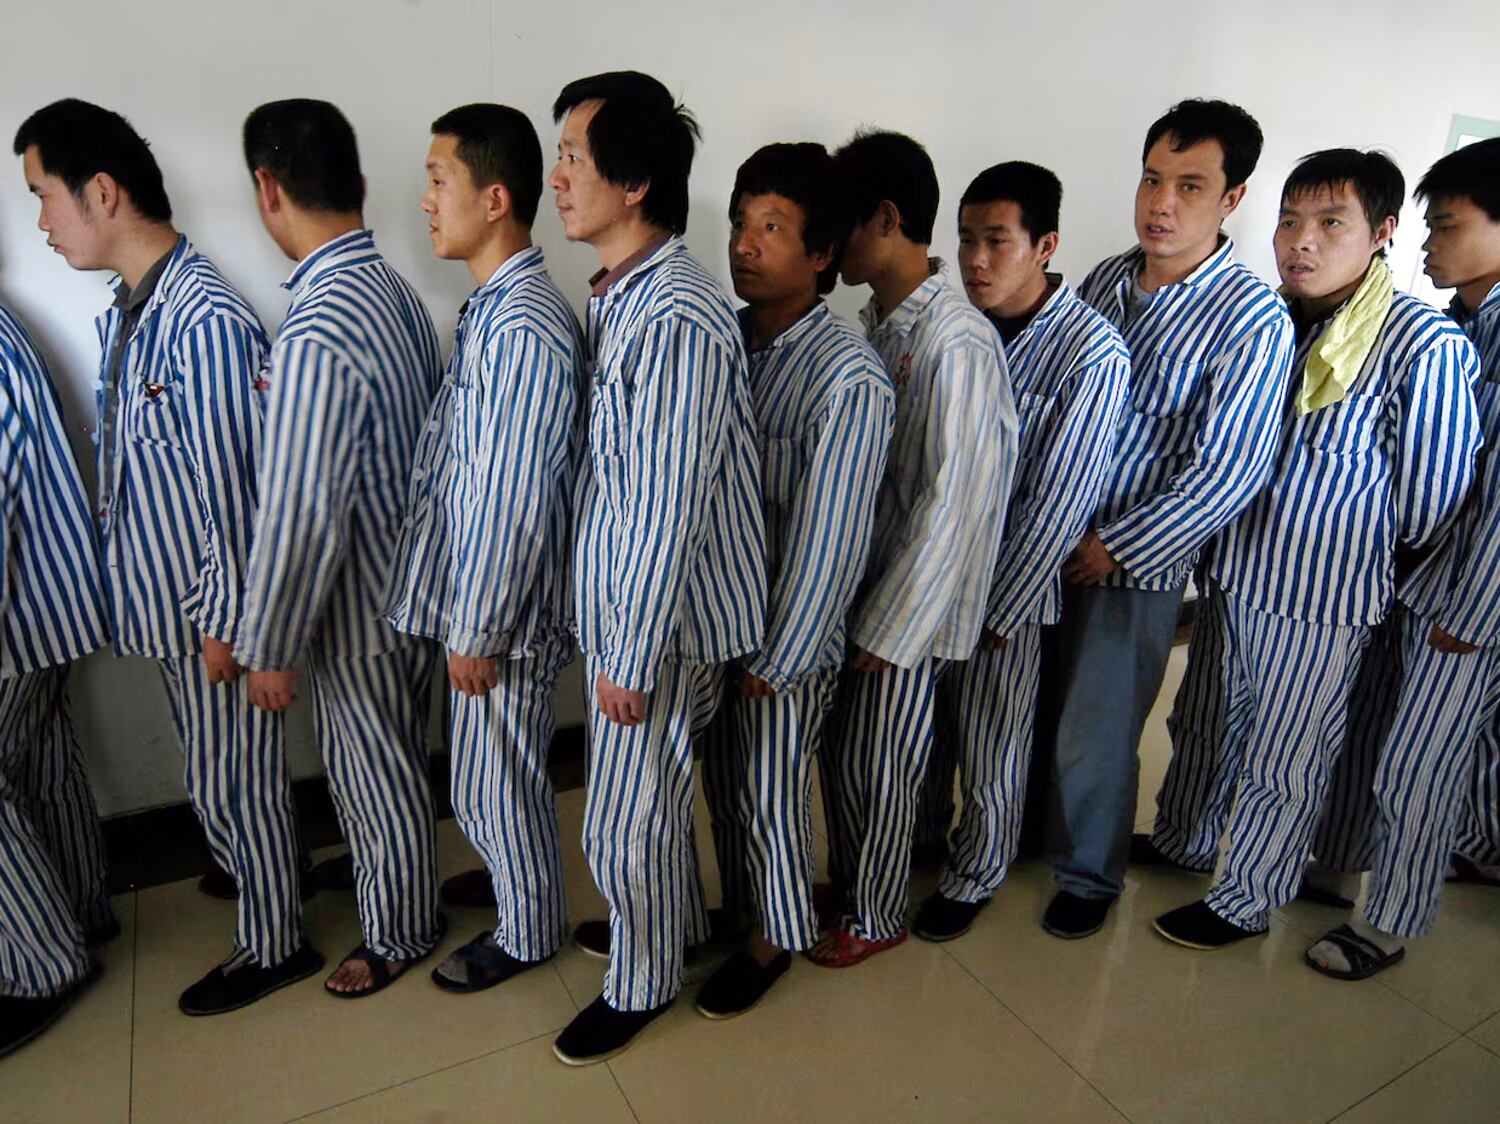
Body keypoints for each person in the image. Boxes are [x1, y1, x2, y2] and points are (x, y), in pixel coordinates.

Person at [13, 100, 314, 1015]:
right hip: (174, 612)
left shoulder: (204, 320)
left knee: (234, 780)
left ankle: (277, 942)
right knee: (219, 776)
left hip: (208, 617)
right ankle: (258, 873)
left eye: (44, 195)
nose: (40, 223)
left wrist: (227, 624)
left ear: (102, 192)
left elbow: (240, 493)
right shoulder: (137, 308)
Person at [548, 71, 765, 1064]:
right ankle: (663, 932)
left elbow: (665, 506)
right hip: (632, 610)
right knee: (644, 804)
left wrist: (629, 653)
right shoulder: (625, 295)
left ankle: (640, 980)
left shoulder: (676, 314)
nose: (557, 178)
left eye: (573, 159)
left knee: (627, 818)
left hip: (663, 624)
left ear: (635, 184)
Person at [1042, 99, 1295, 940]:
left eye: (1190, 186)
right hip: (1052, 537)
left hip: (1131, 559)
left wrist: (1113, 544)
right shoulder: (1105, 279)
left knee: (1100, 726)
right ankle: (1037, 836)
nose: (1161, 203)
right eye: (1152, 179)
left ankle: (1089, 876)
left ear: (1232, 198)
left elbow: (1230, 471)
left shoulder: (1251, 317)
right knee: (1038, 706)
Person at [235, 99, 445, 999]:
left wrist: (269, 644)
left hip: (358, 603)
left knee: (372, 776)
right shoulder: (391, 290)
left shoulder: (317, 325)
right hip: (415, 579)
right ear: (357, 182)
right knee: (393, 762)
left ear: (267, 188)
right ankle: (401, 892)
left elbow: (302, 510)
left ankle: (399, 930)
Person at [385, 103, 586, 992]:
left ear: (495, 198)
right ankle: (517, 882)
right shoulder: (495, 311)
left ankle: (529, 927)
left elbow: (514, 497)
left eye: (440, 181)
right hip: (484, 605)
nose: (426, 201)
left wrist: (478, 628)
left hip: (504, 617)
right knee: (485, 775)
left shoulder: (524, 326)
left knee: (494, 781)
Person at [810, 129, 1017, 968]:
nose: (830, 245)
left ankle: (876, 911)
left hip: (908, 612)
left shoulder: (956, 339)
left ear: (887, 220)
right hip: (871, 593)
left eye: (841, 225)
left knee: (881, 763)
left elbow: (953, 499)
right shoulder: (882, 323)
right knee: (852, 758)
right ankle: (855, 884)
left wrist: (891, 626)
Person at [695, 142, 894, 1016]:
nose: (744, 243)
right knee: (724, 782)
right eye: (742, 222)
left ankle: (775, 934)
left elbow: (833, 537)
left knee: (771, 786)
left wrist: (781, 654)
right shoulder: (727, 342)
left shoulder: (847, 376)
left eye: (772, 228)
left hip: (787, 636)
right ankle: (742, 909)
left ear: (821, 254)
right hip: (719, 620)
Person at [913, 162, 1131, 942]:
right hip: (930, 578)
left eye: (997, 241)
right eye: (966, 239)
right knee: (925, 731)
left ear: (1045, 246)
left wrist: (999, 609)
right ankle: (921, 843)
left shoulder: (1091, 351)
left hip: (1008, 592)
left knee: (993, 739)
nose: (976, 260)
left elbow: (1063, 498)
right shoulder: (951, 326)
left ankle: (976, 874)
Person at [1299, 140, 1498, 977]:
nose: (1428, 243)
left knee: (1423, 761)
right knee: (1373, 734)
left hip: (1468, 599)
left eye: (1447, 226)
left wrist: (1473, 612)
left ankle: (1390, 922)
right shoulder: (1462, 322)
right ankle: (1344, 867)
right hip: (1414, 580)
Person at [0, 297, 114, 1056]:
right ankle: (79, 910)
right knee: (40, 762)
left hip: (19, 612)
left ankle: (41, 965)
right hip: (46, 603)